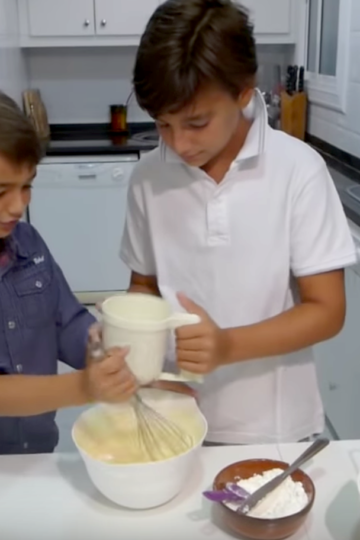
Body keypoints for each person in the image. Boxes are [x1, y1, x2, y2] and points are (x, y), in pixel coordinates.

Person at [120, 0, 358, 445]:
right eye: (163, 124)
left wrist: (227, 345)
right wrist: (130, 340)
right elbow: (145, 287)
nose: (178, 142)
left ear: (245, 91)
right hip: (179, 415)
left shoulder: (297, 170)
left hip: (277, 425)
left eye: (196, 122)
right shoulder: (148, 178)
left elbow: (327, 311)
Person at [0, 91, 138, 455]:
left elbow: (66, 322)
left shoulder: (28, 245)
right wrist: (84, 387)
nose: (17, 206)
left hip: (40, 453)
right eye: (1, 191)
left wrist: (100, 348)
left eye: (26, 186)